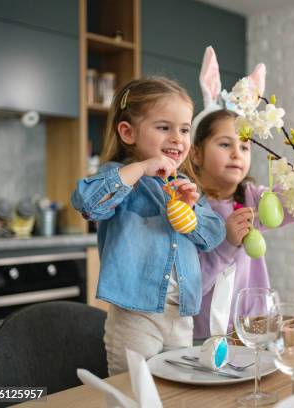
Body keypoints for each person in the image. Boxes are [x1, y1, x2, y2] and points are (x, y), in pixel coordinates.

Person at [71, 76, 225, 374]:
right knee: (133, 393)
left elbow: (213, 234)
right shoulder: (118, 176)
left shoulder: (186, 185)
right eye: (164, 127)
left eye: (184, 129)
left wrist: (191, 214)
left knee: (176, 392)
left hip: (180, 315)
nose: (178, 138)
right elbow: (88, 203)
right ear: (128, 133)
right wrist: (140, 169)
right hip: (135, 315)